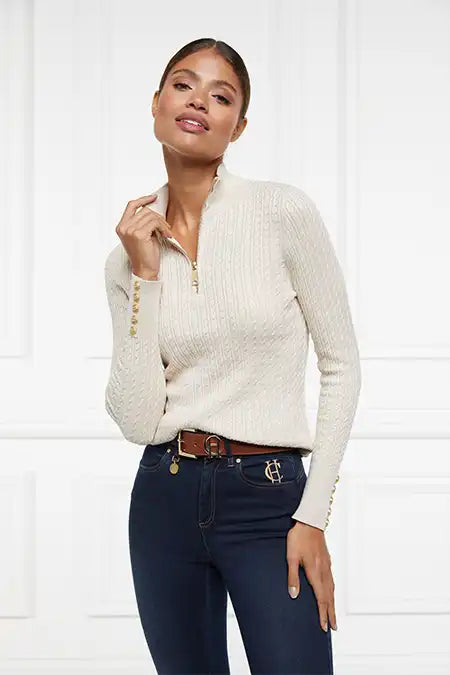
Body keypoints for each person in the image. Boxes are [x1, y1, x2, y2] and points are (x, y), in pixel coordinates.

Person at [104, 37, 362, 675]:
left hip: (268, 499)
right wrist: (145, 275)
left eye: (220, 97)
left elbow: (341, 366)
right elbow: (136, 417)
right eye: (183, 85)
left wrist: (312, 516)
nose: (198, 102)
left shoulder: (281, 212)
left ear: (238, 126)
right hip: (163, 493)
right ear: (157, 104)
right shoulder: (126, 257)